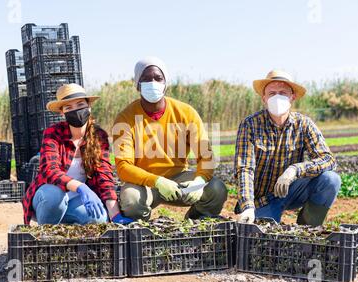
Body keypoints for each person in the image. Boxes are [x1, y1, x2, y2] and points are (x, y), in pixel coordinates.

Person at [112, 57, 228, 221]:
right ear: (137, 84)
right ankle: (144, 230)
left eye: (158, 78)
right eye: (146, 79)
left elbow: (206, 155)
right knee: (131, 199)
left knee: (217, 189)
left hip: (179, 180)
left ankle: (196, 221)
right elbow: (123, 167)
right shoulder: (125, 118)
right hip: (145, 184)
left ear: (165, 83)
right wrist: (157, 181)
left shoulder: (186, 113)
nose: (153, 83)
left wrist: (199, 181)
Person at [234, 70, 341, 226]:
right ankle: (259, 214)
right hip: (262, 200)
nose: (277, 97)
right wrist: (247, 206)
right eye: (272, 93)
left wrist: (295, 170)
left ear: (292, 97)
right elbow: (245, 169)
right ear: (264, 98)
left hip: (291, 191)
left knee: (330, 180)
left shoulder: (303, 124)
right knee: (263, 239)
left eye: (283, 93)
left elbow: (328, 160)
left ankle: (308, 227)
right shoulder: (250, 125)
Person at [22, 83, 133, 225]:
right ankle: (47, 234)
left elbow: (104, 176)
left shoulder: (99, 136)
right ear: (62, 113)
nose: (76, 110)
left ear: (89, 107)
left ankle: (64, 223)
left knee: (98, 219)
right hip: (47, 199)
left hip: (76, 200)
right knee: (56, 196)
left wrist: (115, 215)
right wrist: (81, 187)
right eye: (69, 107)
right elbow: (50, 171)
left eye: (80, 104)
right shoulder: (53, 133)